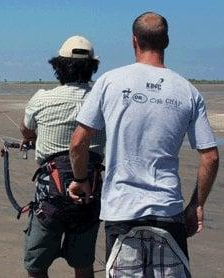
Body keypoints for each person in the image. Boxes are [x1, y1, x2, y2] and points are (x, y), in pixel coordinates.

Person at [69, 12, 219, 277]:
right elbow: (210, 157)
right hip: (167, 210)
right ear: (167, 42)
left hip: (121, 211)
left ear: (134, 41)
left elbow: (78, 142)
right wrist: (197, 205)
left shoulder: (109, 82)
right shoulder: (187, 90)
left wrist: (81, 179)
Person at [20, 35, 105, 278]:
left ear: (58, 67)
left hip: (50, 198)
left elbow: (26, 129)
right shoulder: (102, 99)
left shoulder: (42, 98)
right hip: (90, 194)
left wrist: (32, 137)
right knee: (84, 265)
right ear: (92, 67)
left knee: (36, 267)